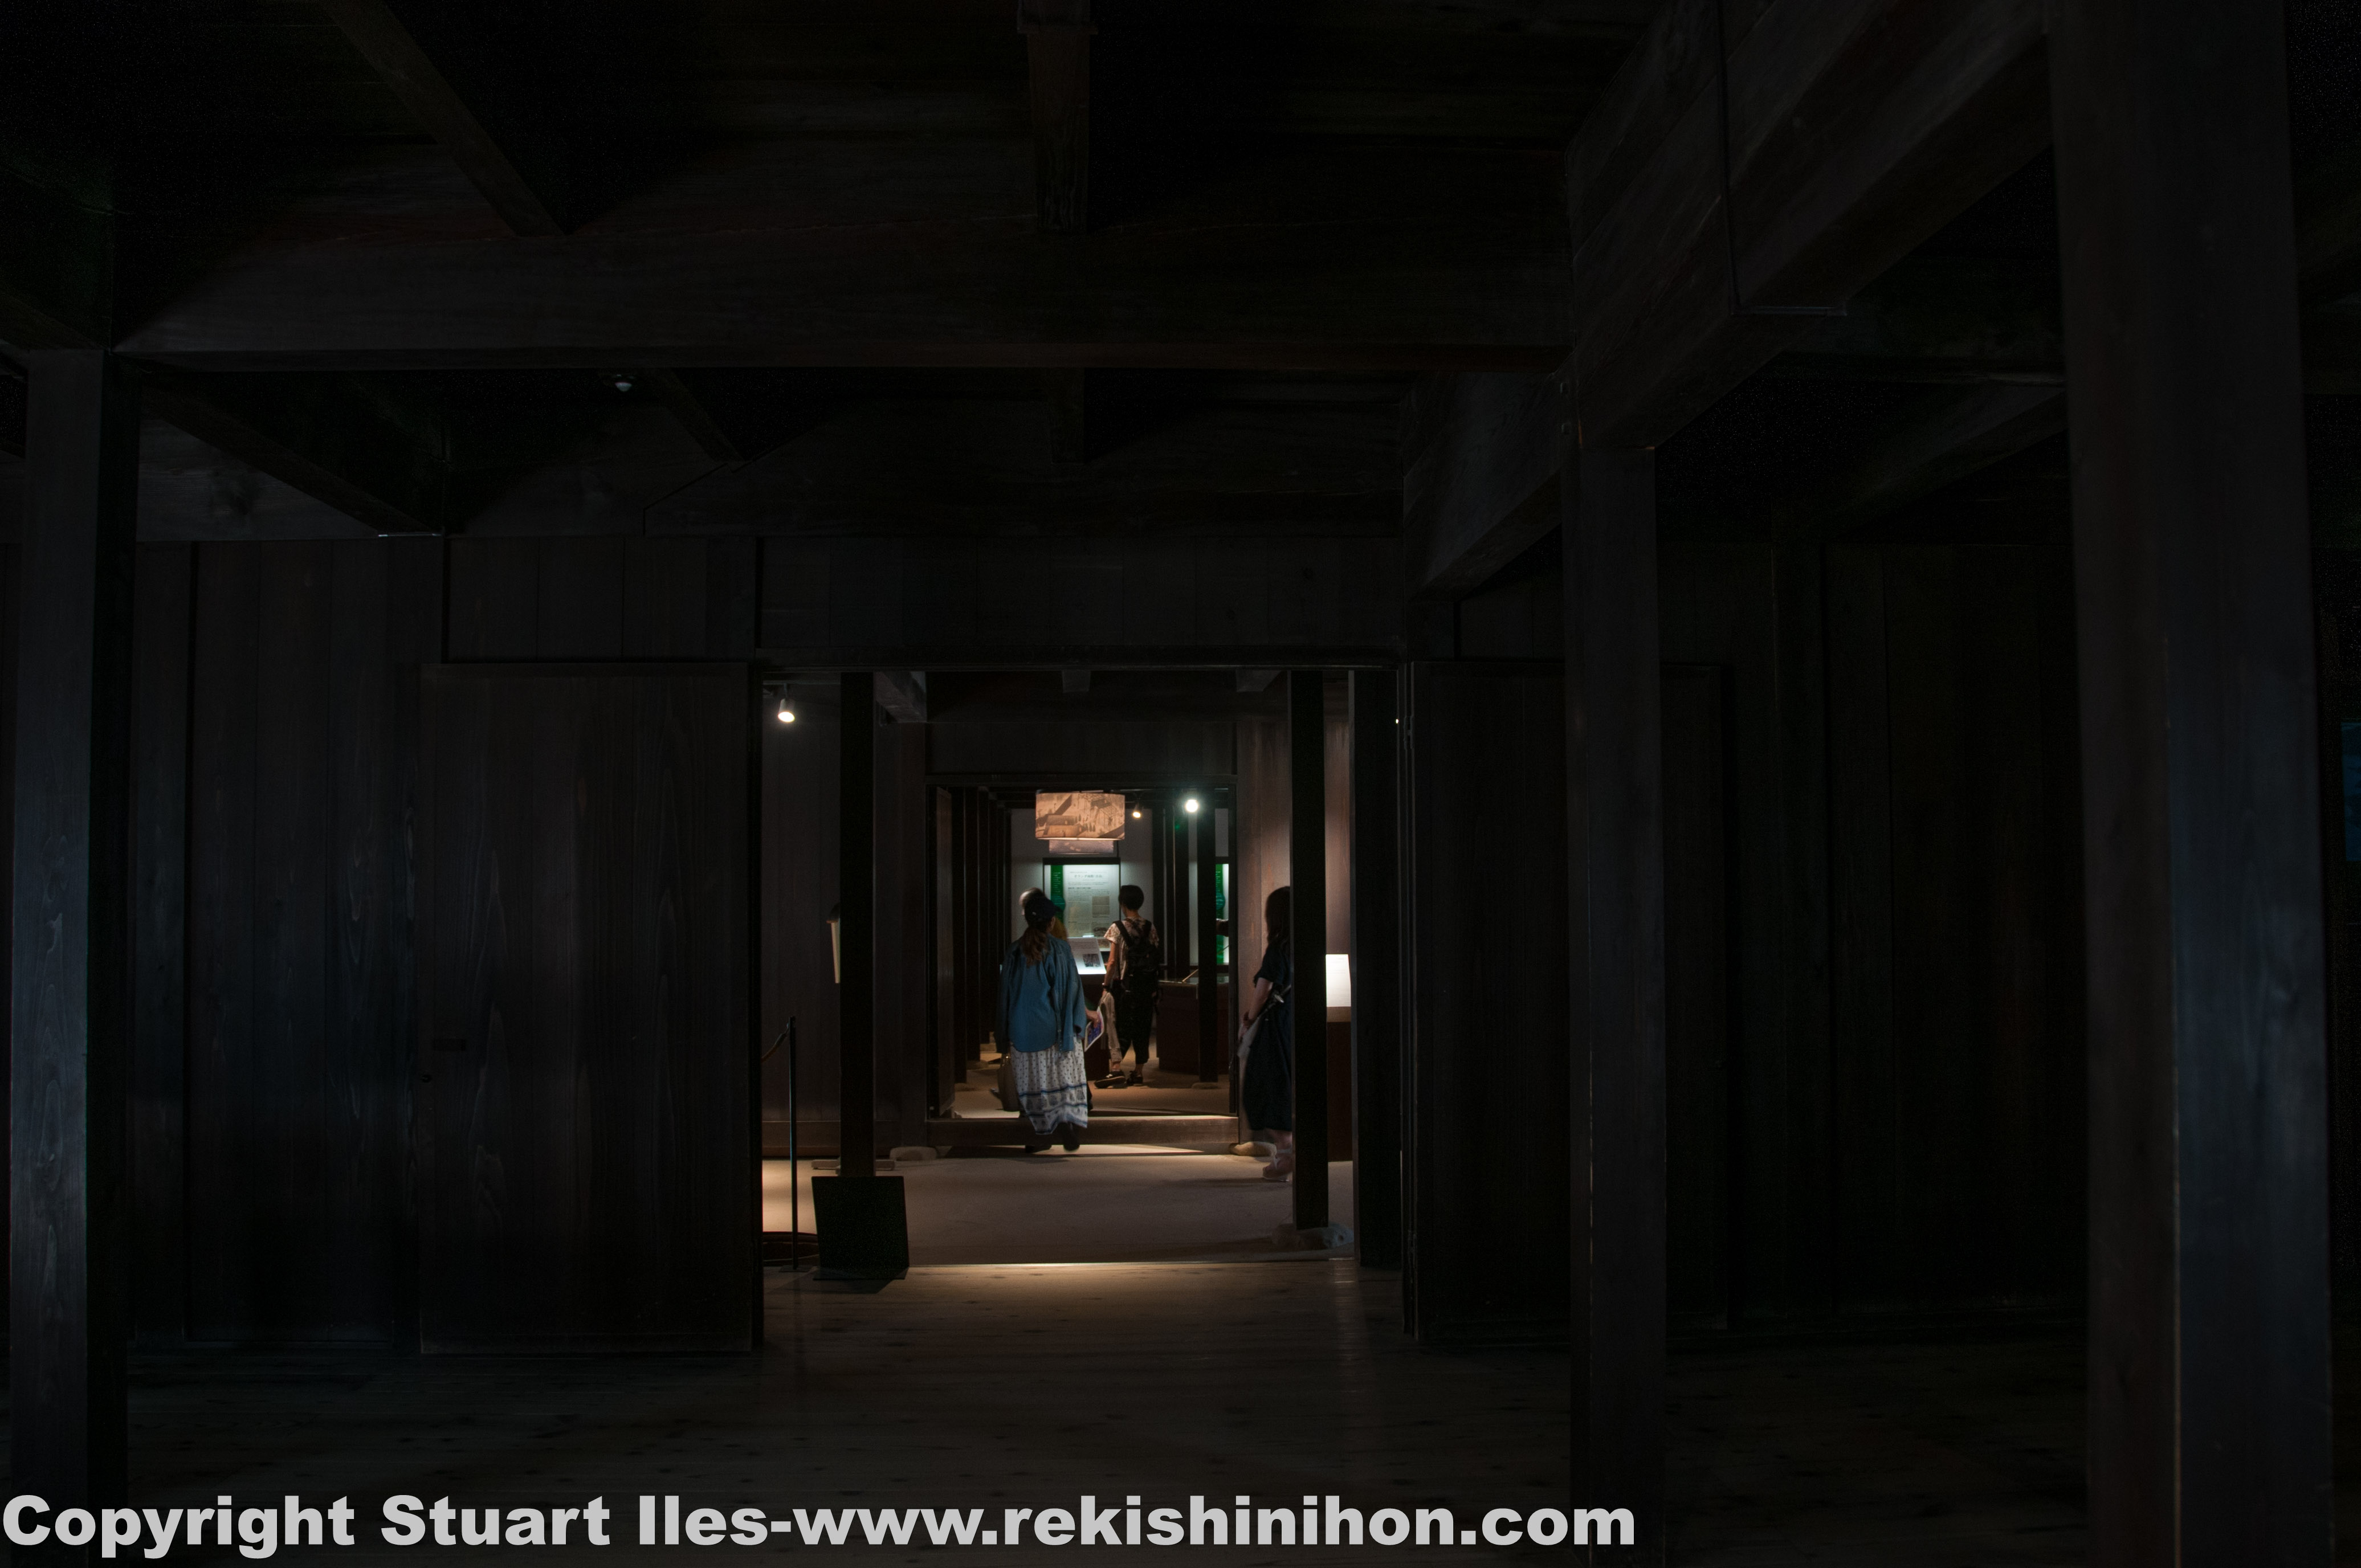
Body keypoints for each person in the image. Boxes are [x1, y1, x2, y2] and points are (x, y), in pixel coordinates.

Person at [1000, 888, 1091, 1153]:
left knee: (1033, 1084)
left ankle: (1036, 1135)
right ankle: (1064, 1121)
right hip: (1055, 1032)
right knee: (1060, 1081)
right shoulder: (1060, 950)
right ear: (1052, 922)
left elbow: (1005, 995)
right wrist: (1077, 1024)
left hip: (1023, 1032)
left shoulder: (1015, 951)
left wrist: (1003, 1033)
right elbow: (1071, 991)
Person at [1238, 884, 1295, 1182]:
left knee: (1264, 1087)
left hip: (1274, 1027)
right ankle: (1286, 1154)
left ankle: (1286, 1154)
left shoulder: (1277, 950)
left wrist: (1249, 1019)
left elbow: (1263, 990)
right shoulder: (1303, 946)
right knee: (1285, 1085)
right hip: (1293, 1024)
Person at [1103, 884, 1162, 1085]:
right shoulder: (1150, 927)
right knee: (1143, 1028)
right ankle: (1138, 1072)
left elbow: (1112, 962)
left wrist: (1105, 985)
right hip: (1145, 987)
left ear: (1123, 903)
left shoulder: (1117, 928)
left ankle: (1116, 1068)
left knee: (1121, 1027)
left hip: (1125, 987)